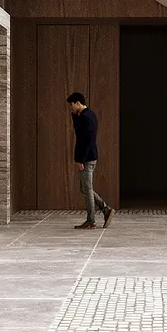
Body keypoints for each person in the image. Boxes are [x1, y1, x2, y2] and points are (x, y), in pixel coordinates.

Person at [69, 92, 113, 230]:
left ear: (77, 103)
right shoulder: (89, 115)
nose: (71, 108)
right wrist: (75, 117)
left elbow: (85, 141)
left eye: (71, 105)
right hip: (89, 156)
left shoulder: (85, 118)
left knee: (87, 189)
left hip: (87, 158)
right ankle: (106, 210)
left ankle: (91, 220)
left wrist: (80, 159)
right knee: (85, 188)